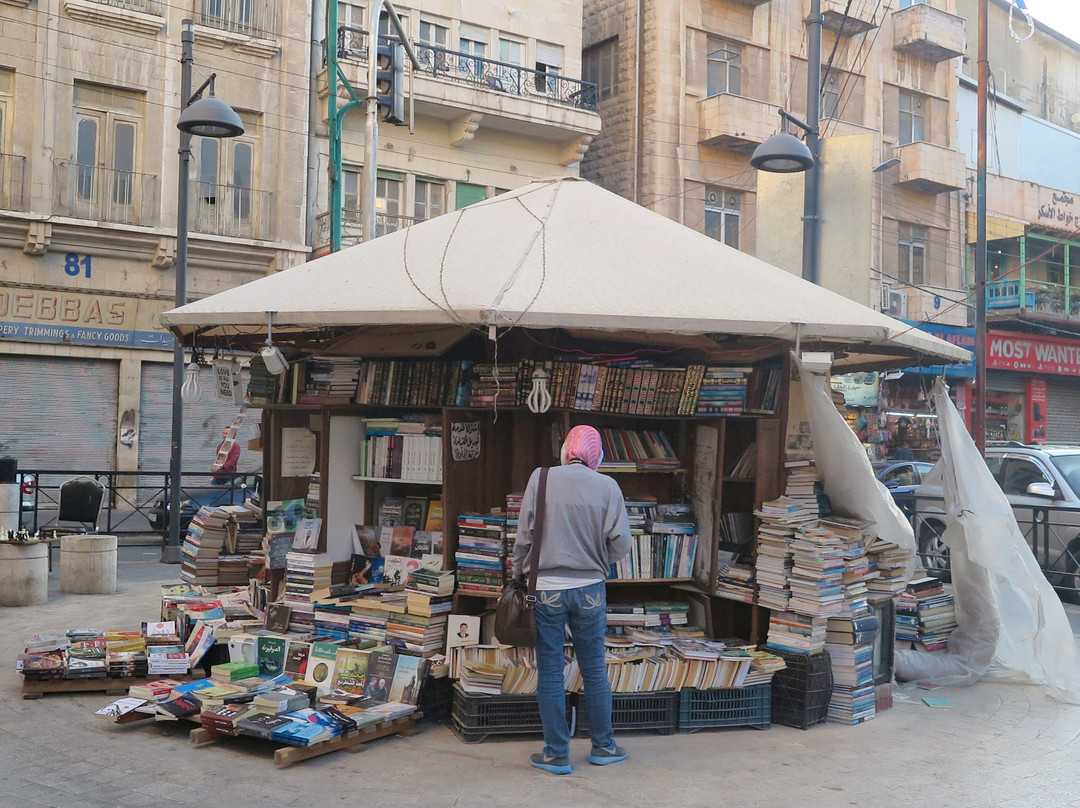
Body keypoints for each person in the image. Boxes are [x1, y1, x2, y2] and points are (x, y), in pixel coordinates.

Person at [512, 424, 632, 776]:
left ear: (566, 450)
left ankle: (556, 753)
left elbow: (524, 535)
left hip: (546, 587)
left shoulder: (541, 478)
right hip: (591, 588)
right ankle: (604, 746)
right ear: (598, 457)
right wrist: (596, 557)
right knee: (594, 668)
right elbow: (621, 545)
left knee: (550, 669)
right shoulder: (608, 486)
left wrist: (518, 572)